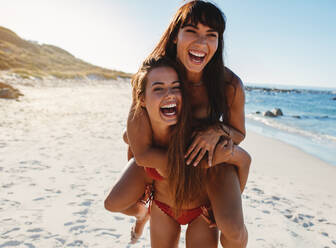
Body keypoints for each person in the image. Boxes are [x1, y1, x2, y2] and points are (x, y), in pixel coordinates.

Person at [105, 1, 250, 247]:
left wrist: (215, 130)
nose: (202, 43)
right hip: (164, 157)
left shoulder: (229, 85)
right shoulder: (158, 74)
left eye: (211, 35)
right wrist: (149, 178)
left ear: (218, 42)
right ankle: (145, 205)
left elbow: (239, 134)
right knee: (128, 138)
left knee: (233, 231)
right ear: (175, 36)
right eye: (192, 31)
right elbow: (138, 145)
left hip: (206, 163)